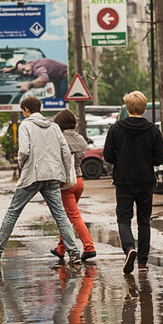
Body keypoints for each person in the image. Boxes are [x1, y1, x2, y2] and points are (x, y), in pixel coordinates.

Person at [0, 96, 81, 265]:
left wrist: (21, 164)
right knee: (60, 215)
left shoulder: (25, 125)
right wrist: (62, 175)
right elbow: (65, 152)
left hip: (32, 176)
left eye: (23, 110)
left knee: (13, 212)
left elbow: (24, 150)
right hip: (53, 176)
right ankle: (75, 253)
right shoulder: (54, 126)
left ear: (26, 110)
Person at [103, 91, 163, 273]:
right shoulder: (153, 130)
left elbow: (107, 156)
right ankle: (143, 262)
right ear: (144, 108)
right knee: (144, 221)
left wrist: (121, 158)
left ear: (128, 107)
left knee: (124, 218)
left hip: (123, 180)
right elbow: (159, 158)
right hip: (145, 181)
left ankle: (129, 248)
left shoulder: (116, 129)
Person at [51, 109, 96, 262]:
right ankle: (60, 248)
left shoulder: (59, 139)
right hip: (79, 181)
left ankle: (89, 247)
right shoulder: (81, 140)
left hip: (66, 184)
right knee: (68, 216)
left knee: (73, 217)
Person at [0, 58, 68, 99]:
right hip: (56, 76)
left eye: (24, 69)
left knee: (62, 100)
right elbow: (21, 65)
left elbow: (44, 79)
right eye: (22, 72)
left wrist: (29, 84)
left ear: (27, 63)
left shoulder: (37, 68)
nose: (24, 73)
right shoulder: (30, 64)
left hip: (64, 75)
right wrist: (11, 69)